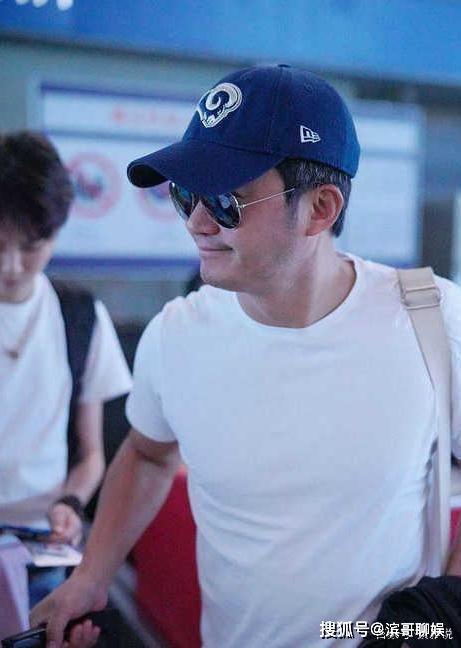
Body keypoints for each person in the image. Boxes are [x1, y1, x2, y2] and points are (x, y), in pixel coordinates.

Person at [30, 65, 461, 648]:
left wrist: (440, 612)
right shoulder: (177, 336)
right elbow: (149, 455)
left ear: (320, 208)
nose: (197, 223)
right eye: (185, 195)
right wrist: (91, 576)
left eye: (225, 200)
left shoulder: (431, 318)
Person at [0, 131, 132, 606]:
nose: (12, 265)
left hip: (42, 543)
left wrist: (71, 502)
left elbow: (91, 455)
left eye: (30, 246)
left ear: (56, 234)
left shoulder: (80, 317)